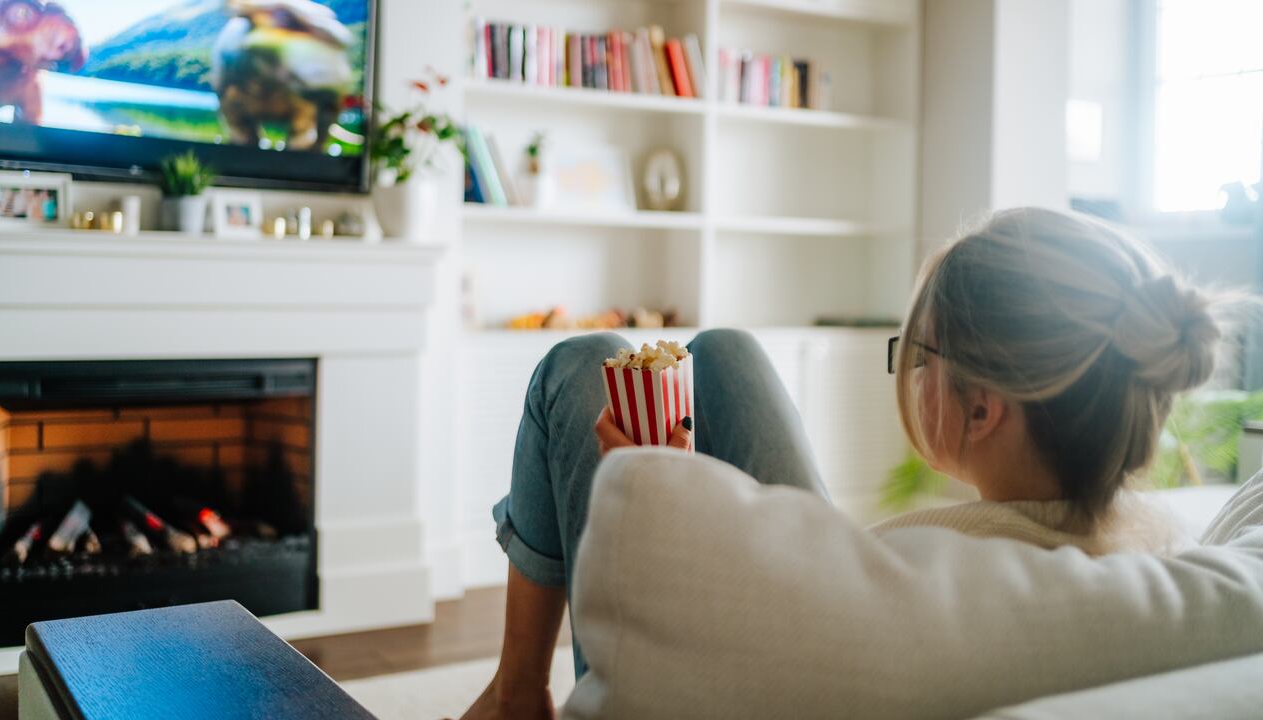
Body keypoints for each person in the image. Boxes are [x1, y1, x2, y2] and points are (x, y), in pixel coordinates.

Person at [459, 207, 1249, 720]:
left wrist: (656, 501)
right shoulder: (1172, 553)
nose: (907, 371)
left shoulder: (923, 573)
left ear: (982, 410)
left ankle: (516, 693)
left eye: (916, 354)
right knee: (727, 354)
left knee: (580, 366)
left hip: (732, 672)